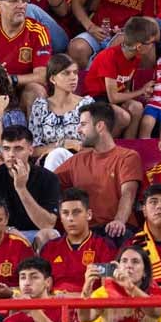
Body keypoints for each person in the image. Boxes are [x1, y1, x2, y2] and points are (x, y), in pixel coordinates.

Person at [54, 102, 143, 240]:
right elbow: (49, 183)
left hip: (117, 230)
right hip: (86, 232)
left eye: (83, 124)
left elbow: (128, 193)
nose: (78, 130)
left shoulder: (127, 157)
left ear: (100, 126)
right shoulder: (77, 160)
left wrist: (119, 220)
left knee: (118, 236)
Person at [79, 16, 159, 138]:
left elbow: (125, 87)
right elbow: (113, 98)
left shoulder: (135, 57)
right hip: (95, 99)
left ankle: (128, 147)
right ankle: (106, 147)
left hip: (111, 98)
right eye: (151, 43)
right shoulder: (109, 57)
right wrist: (141, 91)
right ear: (139, 46)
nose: (152, 46)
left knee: (137, 107)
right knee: (123, 116)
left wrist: (140, 95)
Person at [0, 125, 60, 236]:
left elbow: (47, 225)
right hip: (1, 234)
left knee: (50, 234)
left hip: (35, 235)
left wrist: (21, 189)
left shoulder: (48, 179)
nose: (11, 154)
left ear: (30, 150)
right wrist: (10, 231)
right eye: (6, 149)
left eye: (18, 149)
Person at [37, 188, 116, 294]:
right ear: (60, 217)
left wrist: (75, 297)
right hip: (55, 305)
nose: (70, 218)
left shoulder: (104, 246)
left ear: (89, 214)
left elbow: (108, 289)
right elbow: (40, 288)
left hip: (89, 306)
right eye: (65, 213)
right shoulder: (49, 248)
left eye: (76, 212)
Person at [79, 245, 161, 322]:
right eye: (124, 261)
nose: (129, 265)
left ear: (145, 272)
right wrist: (86, 288)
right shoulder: (105, 292)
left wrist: (130, 287)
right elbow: (85, 318)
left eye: (135, 261)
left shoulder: (154, 290)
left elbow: (156, 312)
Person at [28, 54, 93, 168]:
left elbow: (94, 143)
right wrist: (62, 145)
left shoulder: (86, 104)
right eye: (66, 73)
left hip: (80, 162)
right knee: (55, 155)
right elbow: (33, 150)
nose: (73, 77)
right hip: (48, 161)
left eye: (75, 72)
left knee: (57, 155)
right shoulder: (40, 106)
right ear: (53, 79)